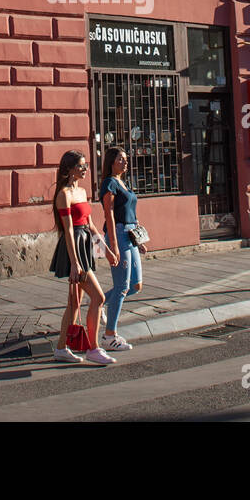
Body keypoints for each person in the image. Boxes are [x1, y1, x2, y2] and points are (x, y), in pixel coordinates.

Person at [49, 150, 119, 365]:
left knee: (74, 303)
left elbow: (90, 225)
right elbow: (68, 230)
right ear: (69, 169)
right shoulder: (64, 194)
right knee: (98, 298)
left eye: (85, 165)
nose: (85, 169)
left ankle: (61, 348)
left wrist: (105, 249)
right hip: (74, 249)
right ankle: (93, 348)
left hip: (85, 243)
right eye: (81, 166)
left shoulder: (81, 192)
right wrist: (74, 263)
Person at [99, 146, 146, 352]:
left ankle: (99, 302)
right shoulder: (110, 183)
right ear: (111, 162)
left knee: (136, 286)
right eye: (121, 159)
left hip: (130, 235)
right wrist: (114, 246)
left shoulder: (122, 183)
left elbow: (131, 214)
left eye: (126, 159)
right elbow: (109, 215)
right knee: (122, 287)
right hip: (118, 235)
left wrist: (140, 238)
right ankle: (110, 336)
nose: (125, 162)